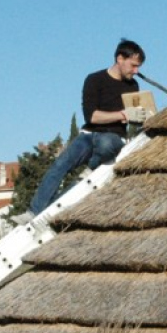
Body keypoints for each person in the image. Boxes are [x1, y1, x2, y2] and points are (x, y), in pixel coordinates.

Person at [23, 39, 153, 218]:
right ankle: (34, 211)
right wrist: (123, 115)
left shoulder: (133, 86)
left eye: (138, 67)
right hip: (89, 135)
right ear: (120, 59)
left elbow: (134, 119)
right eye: (133, 65)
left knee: (107, 144)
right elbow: (92, 117)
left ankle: (90, 169)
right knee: (61, 164)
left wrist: (143, 117)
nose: (136, 71)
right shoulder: (94, 80)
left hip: (113, 138)